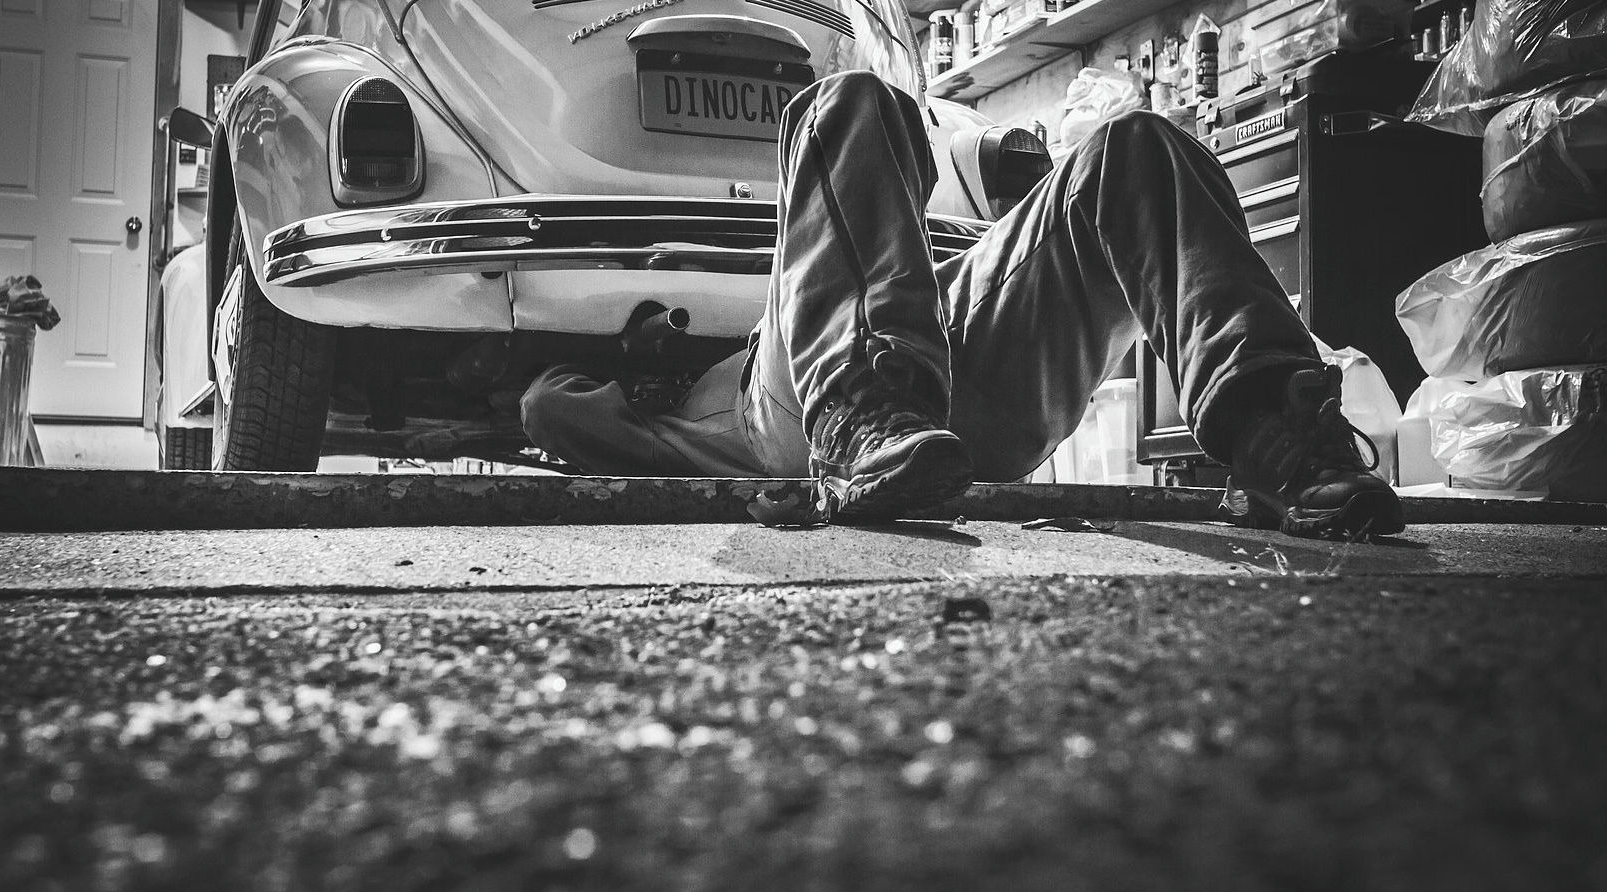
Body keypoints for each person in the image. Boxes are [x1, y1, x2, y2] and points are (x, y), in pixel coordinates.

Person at [519, 71, 1403, 541]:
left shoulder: (814, 292)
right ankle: (865, 419)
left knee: (1136, 148)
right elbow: (546, 402)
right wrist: (642, 360)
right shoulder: (673, 413)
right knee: (846, 103)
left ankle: (1279, 439)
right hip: (815, 423)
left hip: (946, 376)